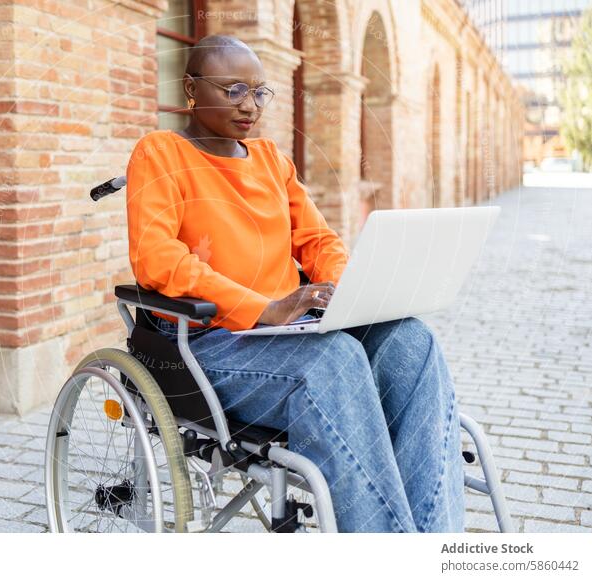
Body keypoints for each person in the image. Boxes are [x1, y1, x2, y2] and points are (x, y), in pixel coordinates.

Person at [125, 34, 465, 533]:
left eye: (260, 93)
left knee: (412, 341)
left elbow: (320, 242)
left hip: (290, 334)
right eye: (235, 89)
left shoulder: (271, 162)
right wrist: (263, 307)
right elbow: (157, 260)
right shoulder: (160, 153)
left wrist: (349, 294)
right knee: (336, 359)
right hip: (210, 343)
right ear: (191, 89)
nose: (250, 106)